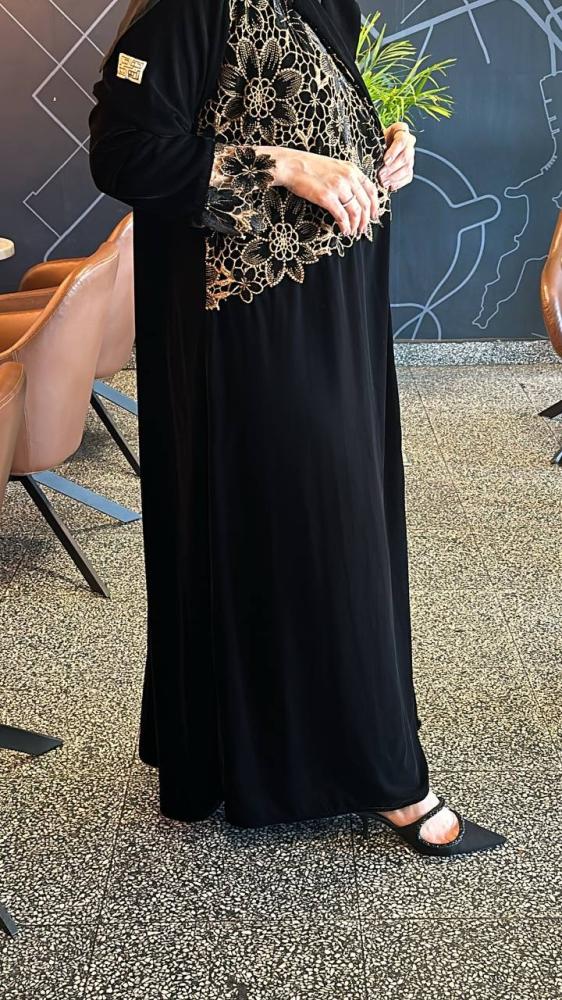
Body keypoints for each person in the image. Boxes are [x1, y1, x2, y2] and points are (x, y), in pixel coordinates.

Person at [89, 0, 506, 858]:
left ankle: (239, 749)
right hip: (251, 327)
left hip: (332, 314)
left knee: (328, 522)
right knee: (323, 525)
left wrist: (378, 149)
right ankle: (384, 773)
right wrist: (284, 167)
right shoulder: (188, 9)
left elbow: (296, 110)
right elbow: (125, 152)